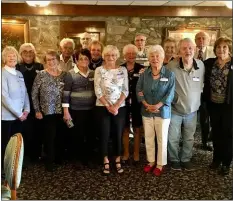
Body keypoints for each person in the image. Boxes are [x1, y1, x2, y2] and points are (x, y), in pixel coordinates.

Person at [136, 45, 175, 176]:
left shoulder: (169, 74)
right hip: (146, 110)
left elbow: (170, 93)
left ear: (162, 57)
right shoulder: (144, 74)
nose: (155, 58)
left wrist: (159, 105)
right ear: (149, 58)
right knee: (148, 137)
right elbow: (138, 90)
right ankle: (151, 161)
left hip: (163, 112)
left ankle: (160, 164)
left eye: (157, 56)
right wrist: (145, 103)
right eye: (152, 56)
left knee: (162, 139)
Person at [167, 38, 205, 171]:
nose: (187, 51)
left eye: (190, 48)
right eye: (184, 48)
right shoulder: (172, 66)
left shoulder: (201, 65)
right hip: (175, 109)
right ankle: (174, 159)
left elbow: (201, 84)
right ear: (179, 51)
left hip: (192, 110)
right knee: (173, 137)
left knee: (189, 137)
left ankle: (186, 159)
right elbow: (165, 83)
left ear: (194, 49)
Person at [94, 45, 128, 175]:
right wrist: (108, 106)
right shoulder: (99, 70)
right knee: (104, 134)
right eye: (107, 55)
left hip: (120, 107)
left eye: (113, 55)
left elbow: (125, 90)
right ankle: (106, 160)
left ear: (117, 56)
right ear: (103, 56)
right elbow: (97, 90)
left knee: (117, 134)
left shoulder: (122, 70)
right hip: (102, 107)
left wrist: (117, 105)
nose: (110, 58)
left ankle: (117, 159)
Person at [32, 50, 66, 172]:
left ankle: (58, 158)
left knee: (60, 136)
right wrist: (37, 110)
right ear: (45, 62)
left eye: (53, 59)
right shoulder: (41, 74)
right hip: (47, 111)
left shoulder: (64, 75)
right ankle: (49, 161)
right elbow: (34, 94)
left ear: (58, 60)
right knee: (49, 137)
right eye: (48, 60)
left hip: (62, 111)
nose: (51, 62)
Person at [203, 37, 232, 176]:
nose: (221, 50)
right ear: (215, 49)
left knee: (228, 134)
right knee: (216, 132)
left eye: (224, 47)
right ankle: (216, 159)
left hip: (229, 106)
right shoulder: (210, 63)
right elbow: (193, 65)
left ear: (229, 49)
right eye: (219, 47)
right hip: (213, 104)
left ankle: (226, 163)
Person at [62, 49, 96, 167]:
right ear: (76, 60)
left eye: (86, 58)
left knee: (90, 135)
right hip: (76, 110)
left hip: (91, 110)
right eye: (80, 58)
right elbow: (66, 94)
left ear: (89, 60)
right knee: (77, 135)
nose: (83, 61)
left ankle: (88, 158)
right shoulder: (70, 74)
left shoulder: (93, 73)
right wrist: (66, 112)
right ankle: (77, 159)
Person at [2, 46, 30, 171]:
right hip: (7, 117)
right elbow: (4, 97)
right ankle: (4, 169)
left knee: (17, 144)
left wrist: (27, 109)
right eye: (9, 55)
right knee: (6, 144)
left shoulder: (19, 73)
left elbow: (25, 92)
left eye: (13, 55)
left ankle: (15, 167)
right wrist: (19, 114)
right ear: (4, 58)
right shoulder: (2, 74)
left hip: (21, 115)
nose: (12, 57)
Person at [16, 43, 44, 164]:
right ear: (21, 54)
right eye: (25, 51)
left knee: (38, 129)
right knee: (24, 129)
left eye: (30, 51)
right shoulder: (17, 67)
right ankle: (25, 155)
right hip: (22, 103)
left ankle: (36, 154)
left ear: (34, 53)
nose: (28, 53)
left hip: (37, 103)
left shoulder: (40, 66)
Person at [121, 44, 144, 165]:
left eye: (133, 53)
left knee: (137, 128)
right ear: (124, 55)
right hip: (123, 103)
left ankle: (136, 153)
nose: (131, 56)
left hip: (137, 103)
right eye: (128, 53)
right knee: (125, 128)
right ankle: (125, 153)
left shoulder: (142, 68)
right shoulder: (120, 68)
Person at [194, 31, 216, 151]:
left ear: (208, 41)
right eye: (198, 38)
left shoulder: (214, 52)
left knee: (205, 118)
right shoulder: (191, 51)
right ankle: (185, 140)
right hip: (193, 90)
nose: (201, 40)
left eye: (203, 38)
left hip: (207, 91)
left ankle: (204, 141)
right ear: (195, 40)